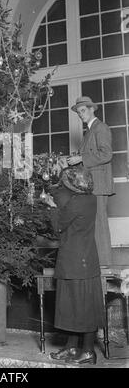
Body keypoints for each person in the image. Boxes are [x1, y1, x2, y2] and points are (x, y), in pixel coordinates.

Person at [44, 166, 105, 365]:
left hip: (76, 262)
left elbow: (58, 226)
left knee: (82, 309)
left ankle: (88, 352)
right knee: (74, 307)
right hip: (83, 261)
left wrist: (51, 205)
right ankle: (71, 347)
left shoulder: (77, 202)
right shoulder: (90, 198)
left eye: (65, 182)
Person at [67, 96, 114, 267]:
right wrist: (77, 159)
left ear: (92, 109)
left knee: (100, 227)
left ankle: (105, 267)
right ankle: (98, 266)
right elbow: (92, 155)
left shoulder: (100, 128)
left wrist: (81, 157)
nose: (80, 115)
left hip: (99, 185)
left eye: (83, 111)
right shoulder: (90, 131)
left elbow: (106, 154)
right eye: (79, 112)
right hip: (92, 185)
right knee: (94, 226)